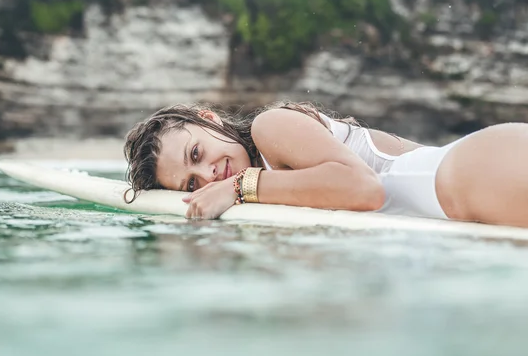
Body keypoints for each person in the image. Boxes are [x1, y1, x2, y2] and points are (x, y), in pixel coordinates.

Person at [123, 101, 528, 228]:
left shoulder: (271, 126)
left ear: (208, 118)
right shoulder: (271, 186)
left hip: (473, 174)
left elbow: (365, 190)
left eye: (196, 154)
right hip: (469, 196)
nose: (207, 173)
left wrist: (238, 187)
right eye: (192, 184)